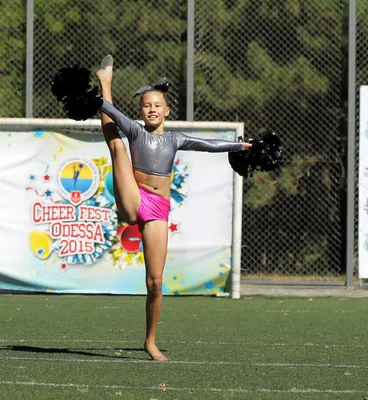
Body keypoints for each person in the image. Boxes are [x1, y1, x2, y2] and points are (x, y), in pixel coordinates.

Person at [94, 55, 252, 361]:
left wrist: (242, 146)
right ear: (140, 111)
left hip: (157, 209)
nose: (151, 109)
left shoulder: (175, 139)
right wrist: (98, 96)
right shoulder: (136, 132)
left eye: (157, 105)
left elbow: (208, 144)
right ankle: (106, 80)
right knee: (116, 143)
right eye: (146, 105)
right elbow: (110, 111)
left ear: (167, 110)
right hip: (134, 196)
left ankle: (150, 341)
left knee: (155, 282)